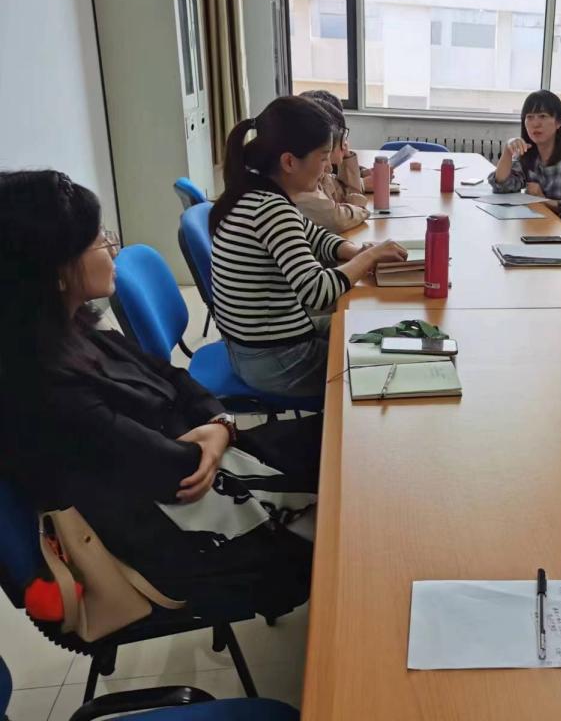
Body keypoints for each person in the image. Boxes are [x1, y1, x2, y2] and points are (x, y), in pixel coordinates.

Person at [0, 170, 321, 618]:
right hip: (169, 535)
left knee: (343, 445)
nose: (112, 247)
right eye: (97, 240)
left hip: (199, 464)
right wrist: (216, 434)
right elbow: (174, 473)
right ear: (54, 272)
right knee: (344, 505)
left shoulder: (71, 326)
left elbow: (172, 376)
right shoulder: (42, 383)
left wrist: (218, 425)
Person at [210, 95, 406, 398]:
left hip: (255, 349)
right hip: (276, 360)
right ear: (289, 161)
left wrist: (355, 252)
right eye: (323, 157)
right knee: (386, 366)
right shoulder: (272, 210)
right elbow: (317, 291)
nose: (328, 168)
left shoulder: (252, 192)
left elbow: (315, 236)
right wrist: (369, 257)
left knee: (370, 328)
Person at [488, 90, 561, 215]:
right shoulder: (527, 151)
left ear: (558, 122)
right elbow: (502, 187)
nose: (535, 124)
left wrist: (545, 201)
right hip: (533, 220)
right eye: (530, 117)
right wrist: (508, 152)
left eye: (542, 116)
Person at [294, 89, 371, 233]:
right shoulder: (304, 179)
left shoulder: (318, 172)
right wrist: (359, 207)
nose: (329, 167)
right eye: (342, 136)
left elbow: (346, 194)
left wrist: (347, 157)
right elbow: (336, 218)